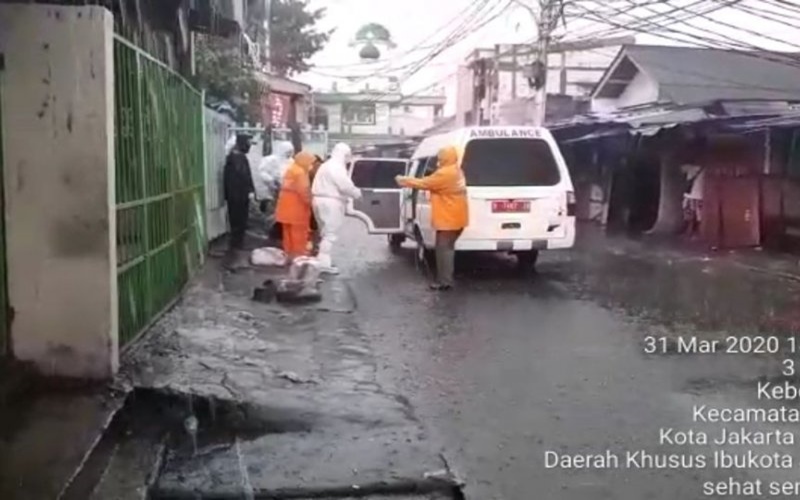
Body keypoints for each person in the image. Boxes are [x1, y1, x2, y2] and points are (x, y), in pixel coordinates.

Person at [395, 146, 469, 291]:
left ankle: (444, 282)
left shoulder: (444, 173)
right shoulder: (457, 171)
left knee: (443, 251)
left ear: (444, 158)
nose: (438, 160)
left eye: (440, 158)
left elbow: (424, 183)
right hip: (458, 217)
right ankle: (446, 279)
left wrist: (402, 180)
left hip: (448, 220)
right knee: (448, 250)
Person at [311, 143, 362, 274]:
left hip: (318, 200)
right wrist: (356, 193)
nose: (348, 159)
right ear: (343, 154)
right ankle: (323, 263)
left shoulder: (326, 165)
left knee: (324, 232)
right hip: (331, 202)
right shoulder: (336, 167)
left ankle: (321, 259)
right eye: (347, 156)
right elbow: (344, 185)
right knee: (330, 234)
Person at [274, 151, 316, 262]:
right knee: (299, 235)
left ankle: (289, 255)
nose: (311, 165)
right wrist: (312, 202)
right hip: (297, 210)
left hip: (285, 210)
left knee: (287, 235)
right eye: (310, 162)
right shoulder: (300, 173)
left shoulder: (291, 169)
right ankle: (299, 258)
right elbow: (304, 192)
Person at [223, 134, 256, 251]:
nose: (249, 146)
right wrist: (250, 190)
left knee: (238, 220)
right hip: (238, 196)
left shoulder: (235, 157)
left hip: (235, 195)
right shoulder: (237, 158)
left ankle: (236, 244)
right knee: (239, 221)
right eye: (248, 143)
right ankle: (236, 246)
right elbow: (244, 176)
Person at [308, 155, 324, 254]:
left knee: (314, 224)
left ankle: (315, 246)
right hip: (325, 199)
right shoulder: (325, 168)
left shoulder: (312, 169)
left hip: (314, 198)